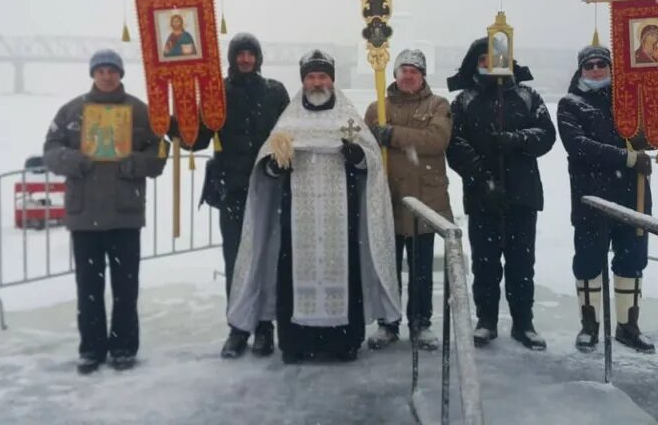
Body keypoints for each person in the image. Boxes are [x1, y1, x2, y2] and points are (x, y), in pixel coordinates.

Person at [226, 49, 401, 364]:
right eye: (311, 77)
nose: (317, 82)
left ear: (331, 80)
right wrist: (274, 167)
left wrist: (358, 158)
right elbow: (266, 166)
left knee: (344, 273)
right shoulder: (290, 119)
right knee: (293, 275)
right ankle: (296, 343)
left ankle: (343, 343)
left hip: (341, 216)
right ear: (303, 81)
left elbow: (372, 164)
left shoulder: (347, 117)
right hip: (297, 219)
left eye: (322, 76)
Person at [43, 49, 168, 374]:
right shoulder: (71, 111)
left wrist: (134, 162)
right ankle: (91, 349)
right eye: (101, 71)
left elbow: (159, 152)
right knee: (89, 288)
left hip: (125, 213)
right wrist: (75, 160)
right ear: (93, 75)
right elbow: (51, 151)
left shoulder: (139, 112)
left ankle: (124, 346)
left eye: (112, 70)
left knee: (126, 288)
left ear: (120, 74)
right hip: (84, 215)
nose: (107, 76)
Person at [172, 33, 290, 359]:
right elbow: (198, 139)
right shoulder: (217, 94)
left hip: (268, 188)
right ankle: (238, 327)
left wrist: (280, 163)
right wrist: (175, 124)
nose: (246, 59)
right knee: (236, 260)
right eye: (241, 54)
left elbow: (289, 134)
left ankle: (264, 327)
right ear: (232, 58)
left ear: (258, 58)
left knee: (266, 258)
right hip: (233, 190)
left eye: (251, 54)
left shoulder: (275, 92)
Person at [446, 38, 556, 351]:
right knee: (485, 263)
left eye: (495, 57)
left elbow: (546, 134)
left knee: (522, 263)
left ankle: (524, 323)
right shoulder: (464, 100)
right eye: (483, 59)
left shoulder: (527, 95)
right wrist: (482, 178)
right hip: (482, 195)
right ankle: (486, 320)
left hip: (523, 193)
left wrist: (516, 139)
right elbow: (455, 144)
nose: (490, 64)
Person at [557, 44, 656, 354]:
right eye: (590, 65)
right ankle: (589, 326)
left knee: (632, 261)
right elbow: (578, 146)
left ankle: (628, 326)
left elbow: (649, 138)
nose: (596, 69)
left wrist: (652, 126)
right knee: (588, 262)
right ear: (581, 70)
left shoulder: (628, 101)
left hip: (632, 196)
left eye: (602, 64)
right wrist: (626, 158)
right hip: (591, 197)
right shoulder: (571, 104)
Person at [363, 49, 453, 352]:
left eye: (414, 71)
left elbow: (436, 140)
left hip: (423, 199)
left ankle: (421, 323)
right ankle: (387, 322)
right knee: (386, 267)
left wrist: (393, 135)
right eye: (403, 70)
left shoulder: (438, 105)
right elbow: (364, 146)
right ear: (395, 74)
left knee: (421, 269)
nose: (408, 76)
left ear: (422, 75)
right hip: (387, 198)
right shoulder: (377, 108)